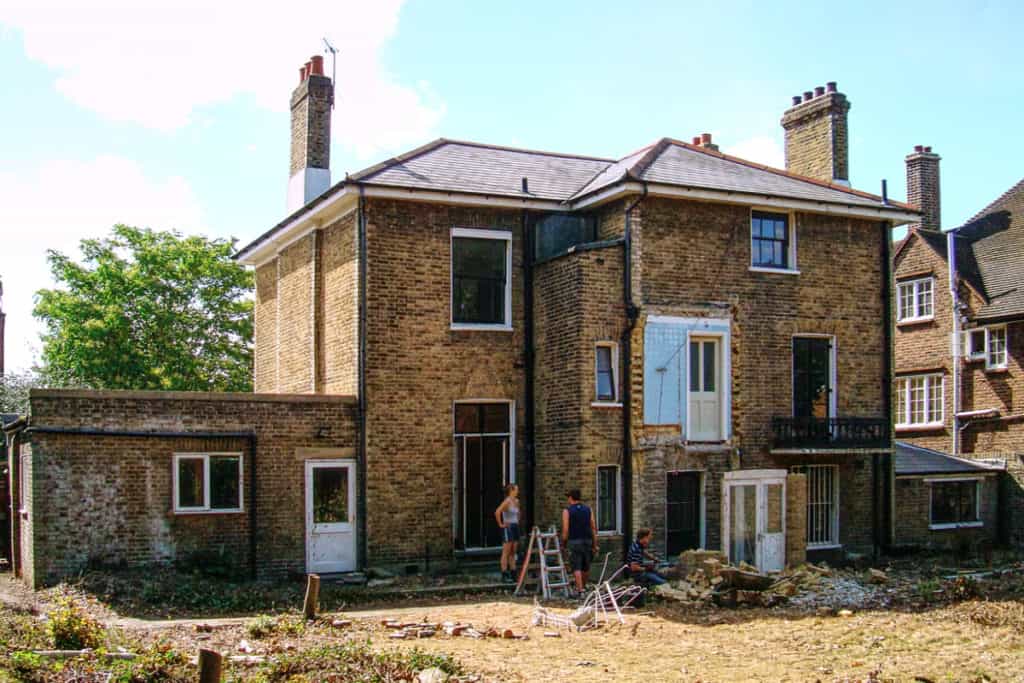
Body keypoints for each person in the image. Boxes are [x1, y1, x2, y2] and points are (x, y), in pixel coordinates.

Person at [561, 488, 598, 594]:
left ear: (571, 498)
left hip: (574, 540)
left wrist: (563, 543)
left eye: (568, 497)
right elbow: (593, 527)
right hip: (587, 540)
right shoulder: (588, 509)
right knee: (586, 566)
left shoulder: (567, 511)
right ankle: (584, 587)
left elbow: (565, 529)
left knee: (576, 566)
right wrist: (595, 544)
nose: (568, 499)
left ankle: (580, 589)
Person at [494, 483, 520, 583]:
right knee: (506, 551)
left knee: (513, 551)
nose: (518, 491)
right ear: (511, 490)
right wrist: (501, 524)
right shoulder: (507, 501)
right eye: (516, 489)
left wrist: (518, 520)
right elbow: (497, 512)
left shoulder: (517, 501)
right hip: (508, 526)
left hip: (515, 526)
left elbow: (518, 512)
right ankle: (504, 574)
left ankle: (513, 573)